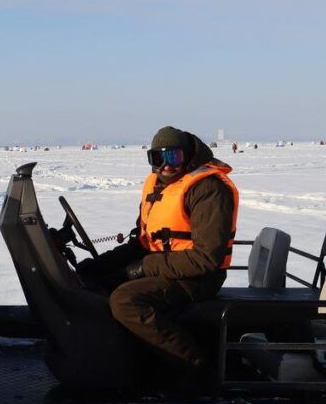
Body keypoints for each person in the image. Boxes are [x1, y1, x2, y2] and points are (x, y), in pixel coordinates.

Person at [78, 126, 238, 386]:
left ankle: (194, 367)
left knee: (126, 300)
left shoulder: (208, 189)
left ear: (188, 157)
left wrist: (144, 268)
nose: (165, 166)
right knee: (98, 283)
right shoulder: (160, 186)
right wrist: (97, 267)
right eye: (157, 158)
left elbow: (206, 258)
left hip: (198, 276)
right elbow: (141, 242)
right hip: (168, 267)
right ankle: (128, 356)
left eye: (172, 158)